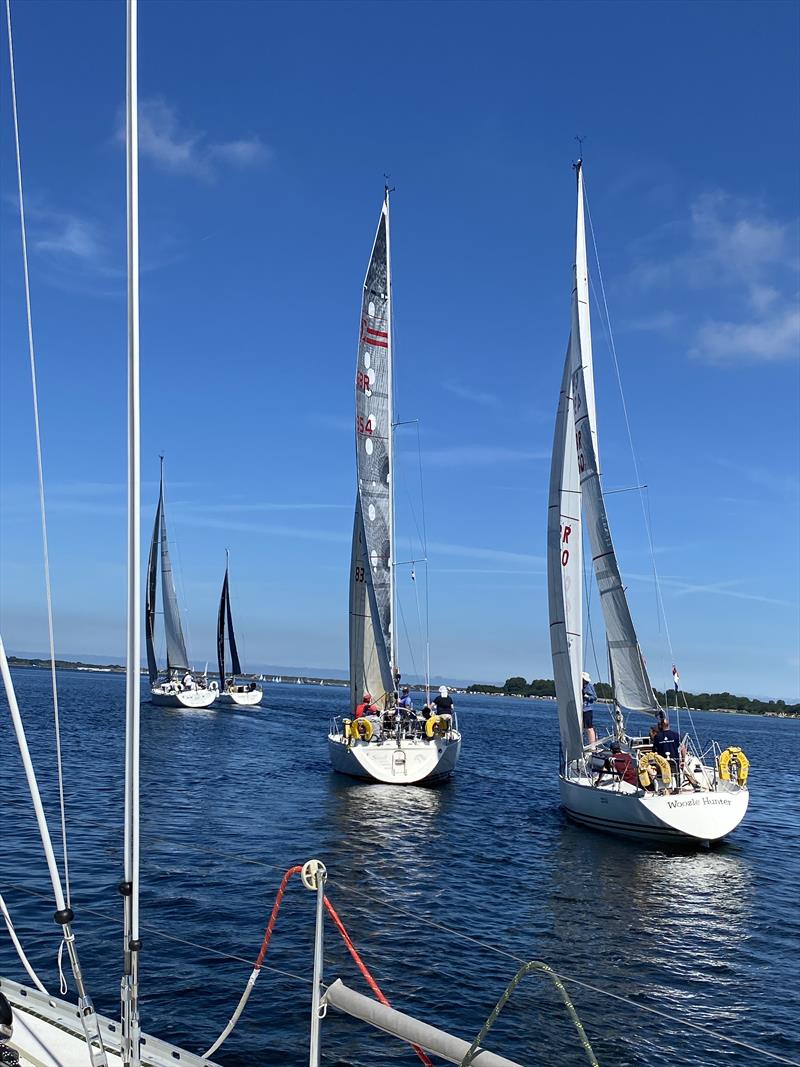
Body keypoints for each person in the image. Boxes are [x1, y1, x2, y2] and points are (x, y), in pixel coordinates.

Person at [653, 716, 684, 788]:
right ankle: (678, 788)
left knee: (662, 775)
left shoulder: (657, 737)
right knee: (676, 774)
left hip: (662, 761)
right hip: (675, 760)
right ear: (668, 725)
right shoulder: (676, 735)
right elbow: (682, 748)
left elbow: (655, 750)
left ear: (661, 726)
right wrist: (683, 760)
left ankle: (663, 788)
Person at [581, 672, 597, 746]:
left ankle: (592, 744)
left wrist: (587, 696)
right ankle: (585, 743)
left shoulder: (589, 686)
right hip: (582, 709)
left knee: (589, 727)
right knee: (584, 727)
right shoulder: (581, 686)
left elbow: (594, 697)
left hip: (587, 709)